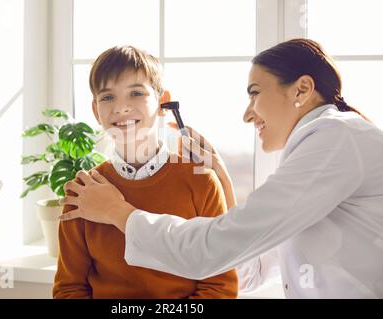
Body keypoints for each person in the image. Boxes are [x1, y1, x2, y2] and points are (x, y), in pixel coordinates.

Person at [59, 39, 383, 298]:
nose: (247, 114)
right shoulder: (320, 150)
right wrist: (224, 181)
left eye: (254, 93)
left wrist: (118, 212)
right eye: (107, 97)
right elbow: (250, 274)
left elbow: (209, 256)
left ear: (301, 90)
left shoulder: (334, 140)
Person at [53, 46, 238, 299]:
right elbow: (68, 289)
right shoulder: (83, 191)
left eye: (136, 93)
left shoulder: (202, 183)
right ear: (96, 111)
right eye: (108, 97)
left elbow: (220, 288)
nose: (122, 107)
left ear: (163, 103)